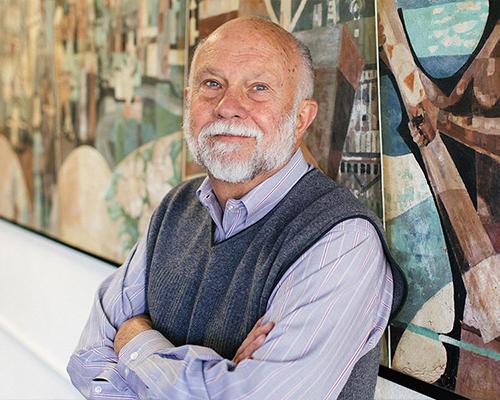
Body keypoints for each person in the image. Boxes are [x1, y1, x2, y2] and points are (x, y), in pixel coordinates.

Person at [67, 16, 405, 399]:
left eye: (258, 88)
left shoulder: (342, 240)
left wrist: (135, 341)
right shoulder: (175, 208)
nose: (229, 107)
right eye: (212, 84)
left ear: (301, 118)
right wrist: (219, 374)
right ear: (189, 100)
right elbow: (88, 361)